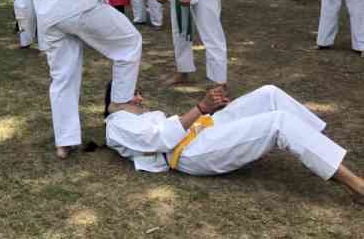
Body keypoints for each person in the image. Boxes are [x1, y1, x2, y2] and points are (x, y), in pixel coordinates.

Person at [8, 0, 146, 159]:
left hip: (46, 12)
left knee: (63, 76)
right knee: (128, 42)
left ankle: (65, 141)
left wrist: (31, 33)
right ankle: (120, 100)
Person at [103, 83, 364, 204]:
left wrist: (209, 110)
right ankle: (356, 185)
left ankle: (318, 145)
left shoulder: (137, 116)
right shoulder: (117, 124)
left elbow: (173, 127)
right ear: (114, 99)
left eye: (138, 91)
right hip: (188, 153)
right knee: (279, 122)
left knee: (269, 94)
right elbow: (160, 140)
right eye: (133, 92)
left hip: (200, 132)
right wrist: (201, 107)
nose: (139, 96)